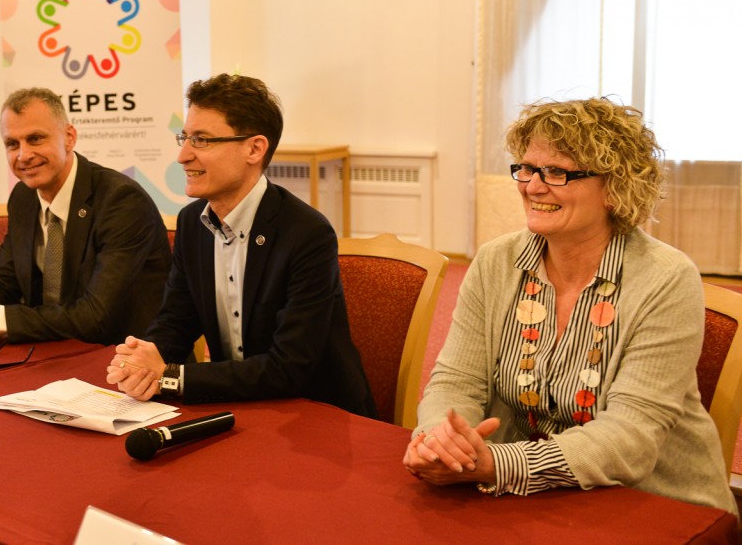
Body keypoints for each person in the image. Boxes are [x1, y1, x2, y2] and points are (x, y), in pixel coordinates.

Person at [404, 97, 735, 515]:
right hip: (530, 495)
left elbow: (629, 438)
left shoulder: (665, 278)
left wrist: (496, 464)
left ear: (615, 188)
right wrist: (441, 441)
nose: (532, 187)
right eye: (527, 168)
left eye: (557, 172)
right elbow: (456, 381)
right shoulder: (495, 261)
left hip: (650, 502)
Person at [105, 73, 376, 417]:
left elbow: (288, 367)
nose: (183, 156)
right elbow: (176, 319)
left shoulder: (307, 233)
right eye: (185, 138)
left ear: (254, 149)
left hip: (312, 414)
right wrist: (144, 362)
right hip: (236, 406)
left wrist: (171, 378)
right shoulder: (192, 223)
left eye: (202, 140)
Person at [0, 88, 171, 345]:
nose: (23, 155)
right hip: (51, 346)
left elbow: (95, 316)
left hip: (123, 353)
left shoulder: (121, 200)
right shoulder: (23, 197)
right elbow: (5, 281)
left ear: (69, 137)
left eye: (35, 139)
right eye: (12, 144)